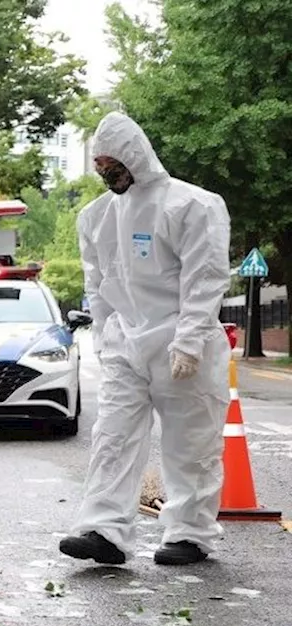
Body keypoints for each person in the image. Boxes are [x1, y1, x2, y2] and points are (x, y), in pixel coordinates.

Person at [59, 112, 231, 567]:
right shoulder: (95, 217)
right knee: (112, 436)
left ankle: (190, 534)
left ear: (135, 156)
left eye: (113, 165)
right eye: (100, 168)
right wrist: (104, 337)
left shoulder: (192, 205)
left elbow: (205, 278)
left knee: (190, 443)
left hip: (180, 340)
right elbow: (98, 284)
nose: (107, 175)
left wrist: (191, 340)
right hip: (126, 345)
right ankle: (104, 531)